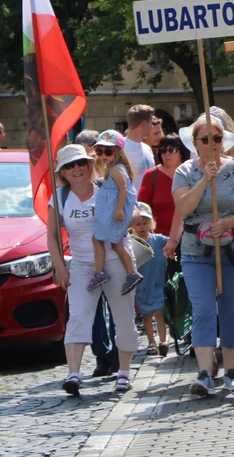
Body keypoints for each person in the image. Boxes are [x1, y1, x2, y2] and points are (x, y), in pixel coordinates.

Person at [167, 112, 234, 395]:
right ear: (195, 143)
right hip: (196, 250)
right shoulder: (185, 172)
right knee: (204, 309)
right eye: (205, 139)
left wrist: (228, 223)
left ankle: (231, 369)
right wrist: (205, 180)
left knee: (232, 308)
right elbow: (183, 209)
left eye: (217, 138)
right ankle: (205, 372)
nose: (212, 144)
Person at [47, 145, 139, 396]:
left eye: (81, 163)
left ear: (90, 165)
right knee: (78, 316)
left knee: (123, 316)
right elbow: (52, 237)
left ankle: (124, 372)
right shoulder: (59, 197)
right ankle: (73, 374)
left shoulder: (106, 186)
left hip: (115, 259)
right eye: (69, 165)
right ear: (62, 172)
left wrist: (115, 217)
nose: (76, 169)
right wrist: (60, 267)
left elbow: (136, 211)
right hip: (81, 264)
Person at [73, 129, 118, 376]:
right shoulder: (70, 187)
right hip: (84, 258)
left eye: (94, 152)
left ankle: (117, 355)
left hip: (109, 252)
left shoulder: (107, 180)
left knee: (116, 305)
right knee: (93, 310)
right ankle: (102, 356)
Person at [87, 131, 142, 294]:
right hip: (112, 212)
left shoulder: (115, 170)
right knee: (116, 244)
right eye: (99, 151)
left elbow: (123, 189)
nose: (103, 155)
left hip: (113, 214)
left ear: (118, 152)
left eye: (108, 151)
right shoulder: (115, 168)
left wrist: (118, 209)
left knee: (96, 238)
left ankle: (100, 272)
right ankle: (131, 273)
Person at [130, 205, 169, 357]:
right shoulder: (130, 243)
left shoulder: (158, 240)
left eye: (145, 223)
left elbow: (173, 242)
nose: (142, 227)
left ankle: (163, 341)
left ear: (151, 224)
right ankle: (151, 342)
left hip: (158, 282)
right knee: (146, 316)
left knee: (160, 313)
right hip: (142, 286)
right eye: (138, 224)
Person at [137, 133, 188, 237]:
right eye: (163, 150)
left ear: (181, 152)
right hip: (159, 239)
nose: (166, 154)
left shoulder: (190, 174)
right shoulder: (151, 175)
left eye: (172, 150)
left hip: (188, 238)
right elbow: (141, 209)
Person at [124, 104, 157, 191]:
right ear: (143, 125)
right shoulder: (119, 149)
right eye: (150, 123)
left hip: (145, 204)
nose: (152, 126)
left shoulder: (147, 149)